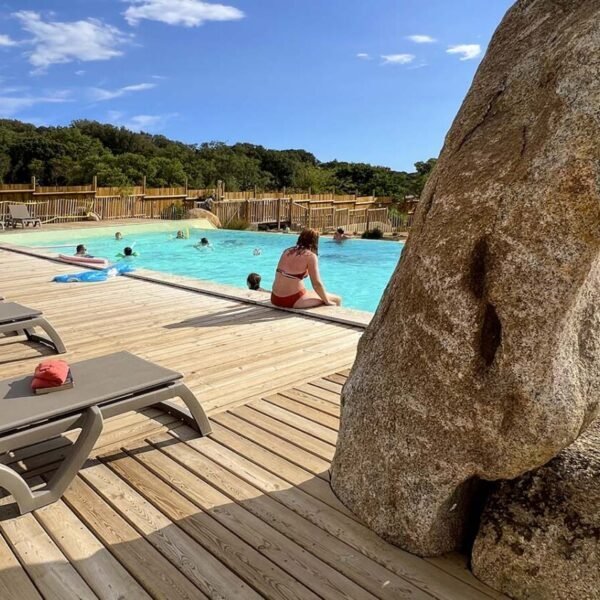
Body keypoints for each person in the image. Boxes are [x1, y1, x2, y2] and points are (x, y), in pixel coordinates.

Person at [271, 228, 341, 309]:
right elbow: (316, 284)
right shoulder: (310, 256)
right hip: (292, 300)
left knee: (311, 292)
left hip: (275, 298)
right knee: (337, 299)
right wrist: (327, 301)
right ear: (315, 241)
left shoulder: (287, 251)